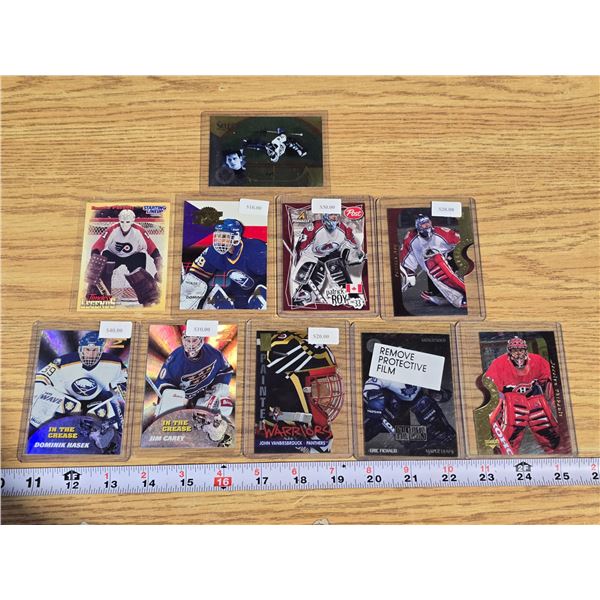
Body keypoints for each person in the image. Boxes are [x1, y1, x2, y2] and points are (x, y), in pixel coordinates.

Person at [30, 332, 126, 437]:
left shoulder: (114, 363)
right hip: (68, 404)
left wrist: (123, 395)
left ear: (100, 350)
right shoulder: (63, 362)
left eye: (94, 350)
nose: (91, 354)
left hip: (97, 404)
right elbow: (41, 378)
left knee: (116, 418)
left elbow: (124, 383)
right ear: (81, 349)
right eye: (87, 349)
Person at [484, 336, 560, 454]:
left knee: (546, 426)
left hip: (533, 397)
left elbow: (550, 379)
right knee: (510, 426)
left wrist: (556, 402)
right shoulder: (499, 363)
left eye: (521, 350)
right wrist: (494, 413)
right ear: (509, 352)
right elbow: (491, 389)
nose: (518, 353)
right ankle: (496, 450)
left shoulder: (537, 360)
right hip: (508, 400)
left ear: (525, 350)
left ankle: (556, 451)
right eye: (515, 350)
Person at [180, 218, 267, 309]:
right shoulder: (213, 252)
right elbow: (197, 276)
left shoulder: (256, 249)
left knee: (262, 300)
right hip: (238, 295)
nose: (219, 241)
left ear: (236, 237)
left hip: (261, 293)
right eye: (218, 236)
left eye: (224, 237)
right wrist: (187, 291)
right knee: (211, 303)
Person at [153, 325, 234, 418]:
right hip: (181, 398)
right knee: (172, 413)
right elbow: (162, 383)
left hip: (203, 394)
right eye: (188, 340)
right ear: (183, 340)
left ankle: (207, 420)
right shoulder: (175, 359)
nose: (191, 344)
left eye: (194, 340)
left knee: (225, 407)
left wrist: (217, 390)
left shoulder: (213, 354)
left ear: (201, 339)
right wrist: (177, 398)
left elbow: (225, 370)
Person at [362, 377, 456, 453]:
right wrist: (374, 397)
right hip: (393, 405)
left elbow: (440, 391)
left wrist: (435, 390)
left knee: (426, 406)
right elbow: (371, 384)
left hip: (416, 400)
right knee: (370, 428)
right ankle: (414, 440)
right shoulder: (387, 375)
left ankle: (438, 436)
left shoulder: (419, 370)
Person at [291, 212, 365, 306]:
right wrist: (301, 264)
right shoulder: (313, 227)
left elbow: (352, 245)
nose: (334, 217)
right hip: (314, 257)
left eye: (336, 215)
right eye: (331, 215)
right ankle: (304, 295)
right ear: (325, 215)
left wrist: (356, 255)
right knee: (316, 273)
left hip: (332, 256)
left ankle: (352, 296)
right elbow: (301, 247)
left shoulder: (343, 228)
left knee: (337, 267)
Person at [399, 214, 465, 308]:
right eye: (423, 224)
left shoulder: (442, 232)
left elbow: (463, 243)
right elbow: (407, 259)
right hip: (432, 271)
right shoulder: (411, 238)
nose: (427, 225)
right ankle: (441, 293)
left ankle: (460, 293)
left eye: (428, 222)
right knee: (433, 263)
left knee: (436, 260)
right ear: (418, 226)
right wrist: (409, 273)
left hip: (450, 262)